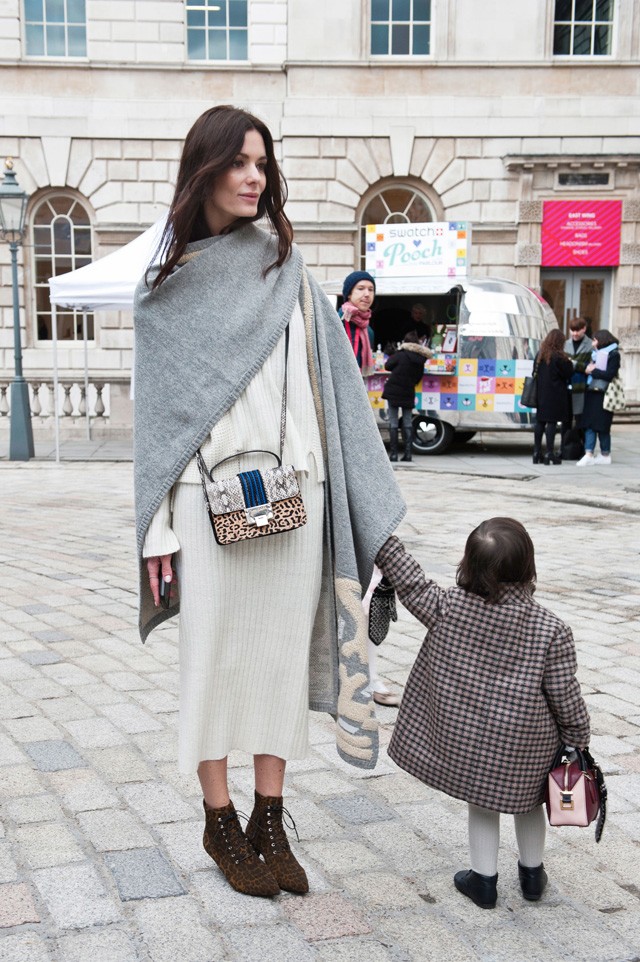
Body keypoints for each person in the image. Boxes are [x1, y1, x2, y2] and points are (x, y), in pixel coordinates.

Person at [133, 105, 405, 899]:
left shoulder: (287, 268)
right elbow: (156, 425)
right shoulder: (165, 287)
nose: (255, 177)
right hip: (203, 501)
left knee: (282, 662)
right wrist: (154, 528)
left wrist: (361, 502)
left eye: (262, 163)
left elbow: (335, 389)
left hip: (297, 493)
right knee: (212, 660)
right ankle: (219, 819)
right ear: (205, 169)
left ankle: (271, 818)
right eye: (239, 162)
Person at [374, 518, 590, 909]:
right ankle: (532, 876)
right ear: (529, 566)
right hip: (528, 746)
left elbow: (410, 580)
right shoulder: (551, 629)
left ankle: (484, 881)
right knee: (530, 803)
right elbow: (565, 694)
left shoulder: (447, 607)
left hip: (468, 743)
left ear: (468, 565)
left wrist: (378, 533)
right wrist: (578, 738)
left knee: (483, 804)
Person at [382, 331, 432, 462]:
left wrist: (392, 354)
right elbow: (418, 378)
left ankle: (393, 455)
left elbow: (388, 366)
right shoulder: (420, 359)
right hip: (408, 391)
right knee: (407, 422)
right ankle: (408, 454)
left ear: (405, 342)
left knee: (393, 421)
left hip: (393, 391)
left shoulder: (400, 354)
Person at [577, 329, 621, 466]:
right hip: (591, 391)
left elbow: (609, 374)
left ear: (602, 340)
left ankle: (605, 454)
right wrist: (589, 369)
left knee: (602, 425)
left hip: (604, 393)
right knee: (589, 424)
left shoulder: (614, 355)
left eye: (595, 340)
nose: (592, 343)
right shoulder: (595, 354)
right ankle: (589, 453)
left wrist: (593, 370)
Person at [532, 329, 573, 465]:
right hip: (555, 394)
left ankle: (536, 452)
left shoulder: (540, 354)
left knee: (540, 422)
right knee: (551, 423)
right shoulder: (559, 357)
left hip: (541, 393)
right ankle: (549, 453)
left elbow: (534, 372)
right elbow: (568, 373)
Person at [338, 271, 376, 373]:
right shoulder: (336, 322)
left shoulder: (369, 331)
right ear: (349, 294)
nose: (367, 294)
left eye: (371, 290)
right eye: (361, 288)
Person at [563, 317, 594, 430]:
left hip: (582, 386)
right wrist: (581, 366)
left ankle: (580, 441)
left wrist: (572, 363)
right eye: (572, 330)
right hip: (566, 385)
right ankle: (565, 441)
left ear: (584, 329)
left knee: (581, 420)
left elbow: (591, 367)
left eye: (577, 330)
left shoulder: (591, 345)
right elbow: (564, 363)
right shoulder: (565, 344)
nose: (574, 333)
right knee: (565, 420)